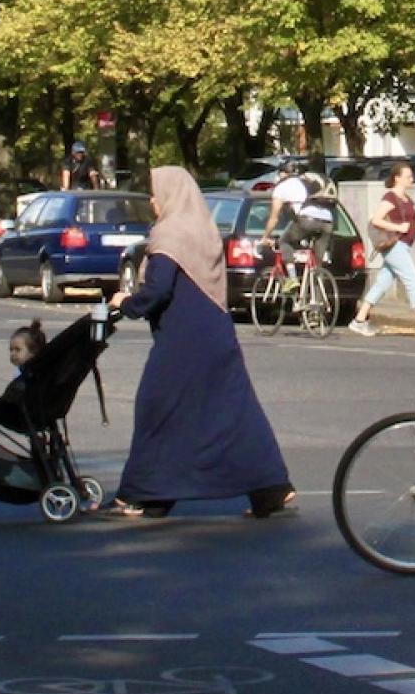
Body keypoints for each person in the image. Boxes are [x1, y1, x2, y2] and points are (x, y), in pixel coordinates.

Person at [106, 166, 293, 518]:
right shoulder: (203, 228)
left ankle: (144, 493)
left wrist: (126, 304)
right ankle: (271, 488)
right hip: (215, 331)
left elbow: (158, 290)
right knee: (234, 411)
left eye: (156, 193)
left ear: (171, 195)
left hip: (183, 340)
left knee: (157, 406)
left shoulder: (169, 233)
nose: (152, 201)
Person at [350, 162, 415, 337]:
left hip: (404, 246)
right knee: (413, 282)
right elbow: (376, 220)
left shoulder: (407, 199)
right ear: (397, 178)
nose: (412, 179)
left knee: (382, 283)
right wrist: (398, 227)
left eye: (411, 176)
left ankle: (359, 320)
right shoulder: (390, 198)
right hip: (395, 246)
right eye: (408, 176)